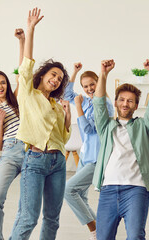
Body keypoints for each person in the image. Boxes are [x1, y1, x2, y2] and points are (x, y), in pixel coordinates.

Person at [10, 8, 71, 240]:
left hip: (58, 162)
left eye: (59, 79)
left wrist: (67, 117)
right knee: (28, 218)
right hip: (35, 161)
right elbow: (25, 66)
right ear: (44, 73)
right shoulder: (28, 93)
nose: (55, 80)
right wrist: (30, 30)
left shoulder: (56, 105)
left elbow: (63, 138)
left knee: (52, 219)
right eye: (53, 74)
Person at [93, 59, 149, 240]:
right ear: (115, 103)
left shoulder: (143, 127)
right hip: (108, 190)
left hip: (136, 190)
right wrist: (104, 74)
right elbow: (98, 104)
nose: (125, 104)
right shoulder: (105, 126)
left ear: (136, 106)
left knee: (135, 236)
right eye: (121, 100)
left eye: (130, 101)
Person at [63, 63, 114, 240]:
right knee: (81, 196)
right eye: (85, 86)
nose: (89, 88)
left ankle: (95, 230)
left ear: (98, 82)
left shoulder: (105, 104)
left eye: (92, 84)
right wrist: (75, 72)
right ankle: (100, 230)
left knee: (68, 190)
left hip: (97, 159)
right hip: (86, 156)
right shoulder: (86, 100)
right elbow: (66, 94)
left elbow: (88, 129)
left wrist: (77, 107)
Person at [0, 28, 25, 240]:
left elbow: (22, 73)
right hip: (9, 153)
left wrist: (21, 41)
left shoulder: (15, 100)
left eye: (2, 82)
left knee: (26, 203)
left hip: (29, 151)